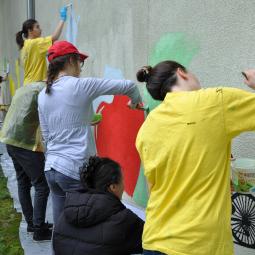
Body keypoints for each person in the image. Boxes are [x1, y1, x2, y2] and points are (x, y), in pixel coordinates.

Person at [135, 61, 255, 255]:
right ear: (181, 73)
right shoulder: (216, 101)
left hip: (154, 240)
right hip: (199, 245)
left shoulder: (147, 128)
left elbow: (156, 187)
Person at [38, 40, 143, 224]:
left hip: (52, 170)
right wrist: (134, 103)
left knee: (61, 227)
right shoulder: (80, 86)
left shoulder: (43, 94)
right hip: (73, 169)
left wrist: (84, 122)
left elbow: (47, 135)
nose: (80, 68)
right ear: (71, 61)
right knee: (84, 229)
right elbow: (129, 86)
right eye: (80, 62)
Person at [53, 156, 144, 255]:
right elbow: (151, 241)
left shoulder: (64, 215)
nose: (124, 186)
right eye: (122, 181)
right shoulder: (123, 219)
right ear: (113, 187)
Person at [0, 82, 52, 241]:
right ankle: (39, 229)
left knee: (23, 183)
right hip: (25, 143)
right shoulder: (45, 91)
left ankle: (32, 223)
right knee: (42, 185)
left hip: (10, 139)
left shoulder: (27, 88)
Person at [16, 6, 67, 85]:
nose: (41, 29)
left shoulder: (24, 45)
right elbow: (55, 37)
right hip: (36, 85)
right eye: (37, 27)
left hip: (27, 84)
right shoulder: (35, 43)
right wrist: (62, 19)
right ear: (30, 31)